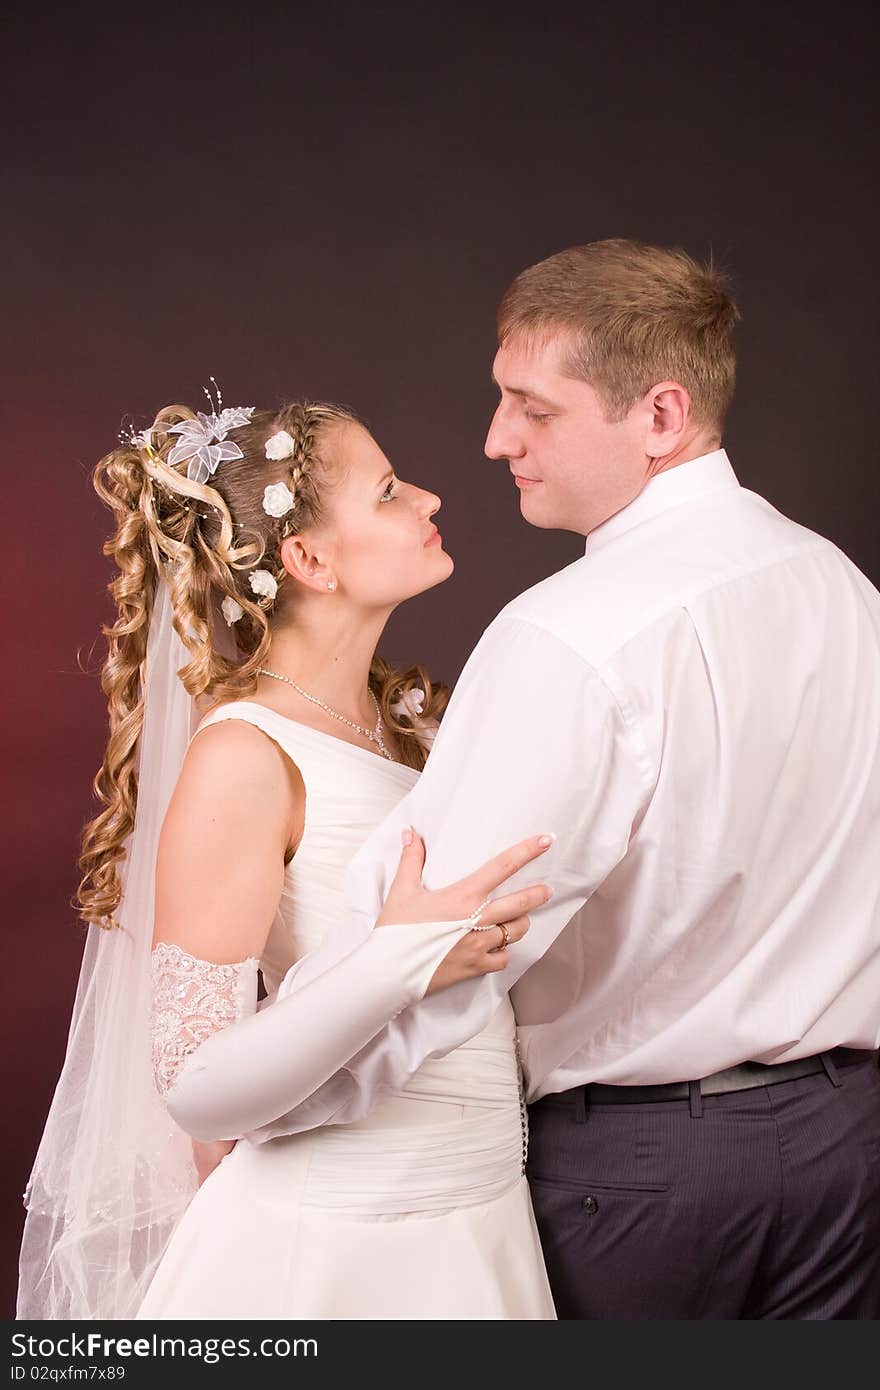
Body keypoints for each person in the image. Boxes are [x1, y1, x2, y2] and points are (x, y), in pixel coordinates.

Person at [237, 240, 880, 1319]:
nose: (495, 441)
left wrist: (278, 1118)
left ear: (661, 416)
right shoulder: (844, 590)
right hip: (846, 1152)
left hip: (643, 1182)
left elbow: (437, 943)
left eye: (531, 408)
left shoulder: (567, 637)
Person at [18, 393, 556, 1320]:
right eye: (389, 491)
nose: (429, 498)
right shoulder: (245, 756)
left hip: (481, 1224)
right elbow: (197, 1090)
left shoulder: (413, 730)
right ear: (308, 558)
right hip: (335, 1250)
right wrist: (403, 957)